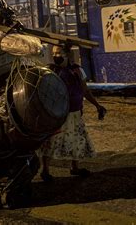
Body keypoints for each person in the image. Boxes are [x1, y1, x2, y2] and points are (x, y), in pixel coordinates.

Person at [39, 44, 107, 182]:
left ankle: (75, 167)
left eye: (58, 53)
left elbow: (85, 91)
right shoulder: (50, 70)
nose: (55, 56)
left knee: (76, 139)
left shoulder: (77, 70)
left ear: (67, 55)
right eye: (54, 53)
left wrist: (97, 106)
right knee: (51, 140)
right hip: (58, 112)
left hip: (75, 112)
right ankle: (45, 170)